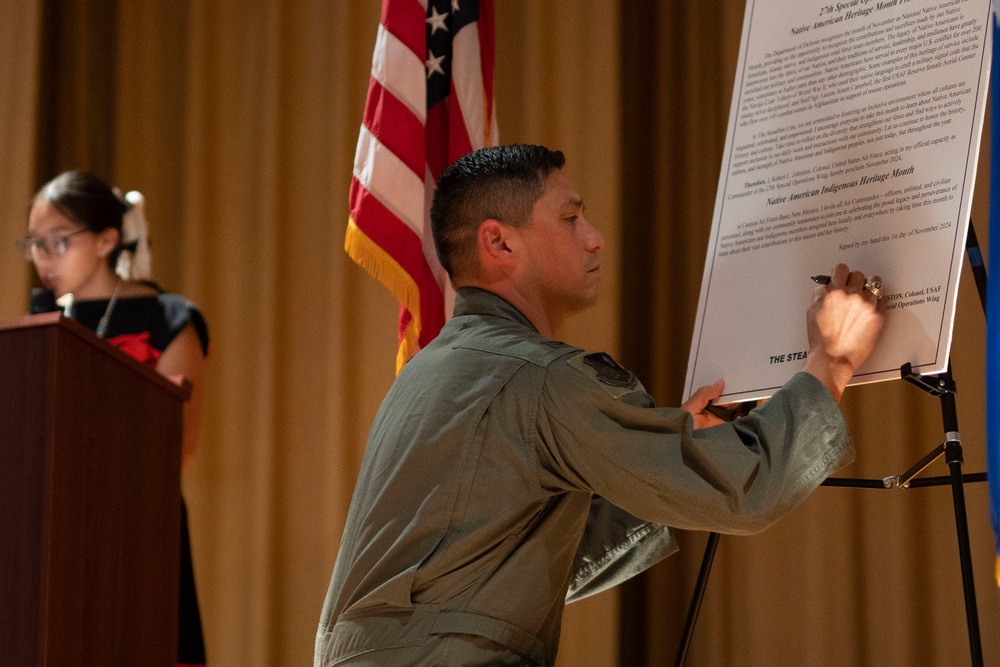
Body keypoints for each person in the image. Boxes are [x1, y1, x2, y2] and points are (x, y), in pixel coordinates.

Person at [314, 145, 885, 666]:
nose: (595, 237)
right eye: (569, 218)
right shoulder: (539, 375)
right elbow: (746, 489)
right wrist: (830, 361)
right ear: (500, 242)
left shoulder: (433, 369)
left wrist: (660, 456)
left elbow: (503, 561)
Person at [18, 170, 210, 667]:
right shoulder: (41, 328)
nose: (43, 258)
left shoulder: (167, 318)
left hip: (136, 528)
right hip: (47, 532)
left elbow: (179, 444)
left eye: (58, 241)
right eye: (34, 244)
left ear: (106, 239)